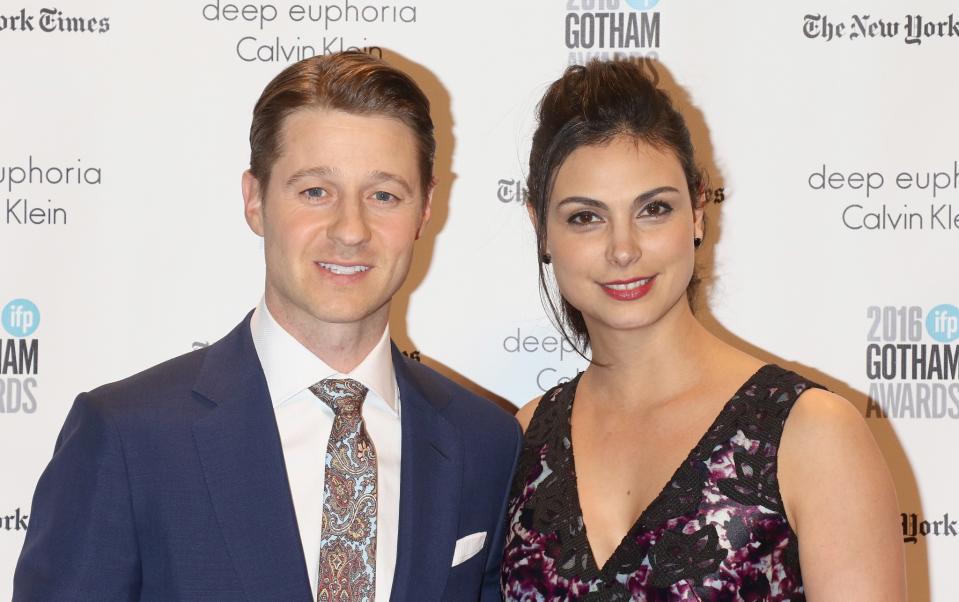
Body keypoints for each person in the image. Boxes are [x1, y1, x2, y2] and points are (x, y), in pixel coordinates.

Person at [14, 51, 521, 602]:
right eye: (314, 192)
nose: (350, 229)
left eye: (383, 196)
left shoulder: (486, 444)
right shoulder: (126, 437)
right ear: (255, 201)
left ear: (425, 209)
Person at [501, 60, 905, 600]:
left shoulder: (811, 434)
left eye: (653, 209)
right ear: (540, 229)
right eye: (585, 217)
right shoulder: (525, 439)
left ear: (696, 210)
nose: (624, 249)